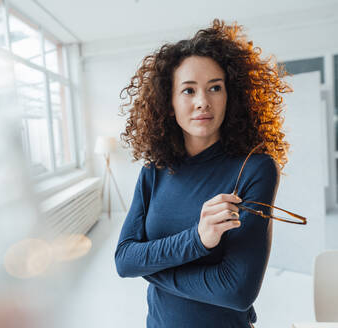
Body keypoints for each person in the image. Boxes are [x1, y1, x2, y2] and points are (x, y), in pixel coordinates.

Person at [115, 19, 292, 328]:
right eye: (188, 90)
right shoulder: (153, 172)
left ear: (230, 95)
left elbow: (237, 291)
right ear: (168, 103)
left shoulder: (254, 169)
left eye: (215, 87)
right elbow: (124, 258)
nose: (202, 102)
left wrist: (150, 267)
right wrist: (197, 239)